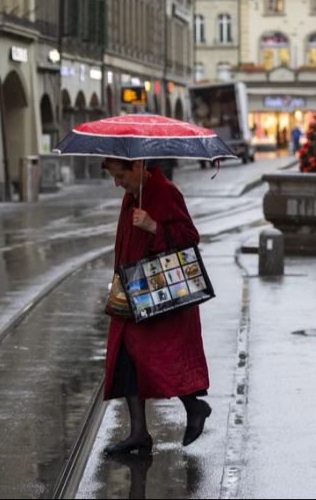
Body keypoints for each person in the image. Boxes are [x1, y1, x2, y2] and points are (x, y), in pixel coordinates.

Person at [101, 158, 211, 455]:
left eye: (120, 175)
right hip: (133, 290)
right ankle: (138, 432)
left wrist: (153, 227)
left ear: (137, 166)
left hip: (162, 295)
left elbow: (189, 238)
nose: (117, 183)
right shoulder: (131, 197)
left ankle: (195, 407)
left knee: (160, 358)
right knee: (126, 358)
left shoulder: (165, 192)